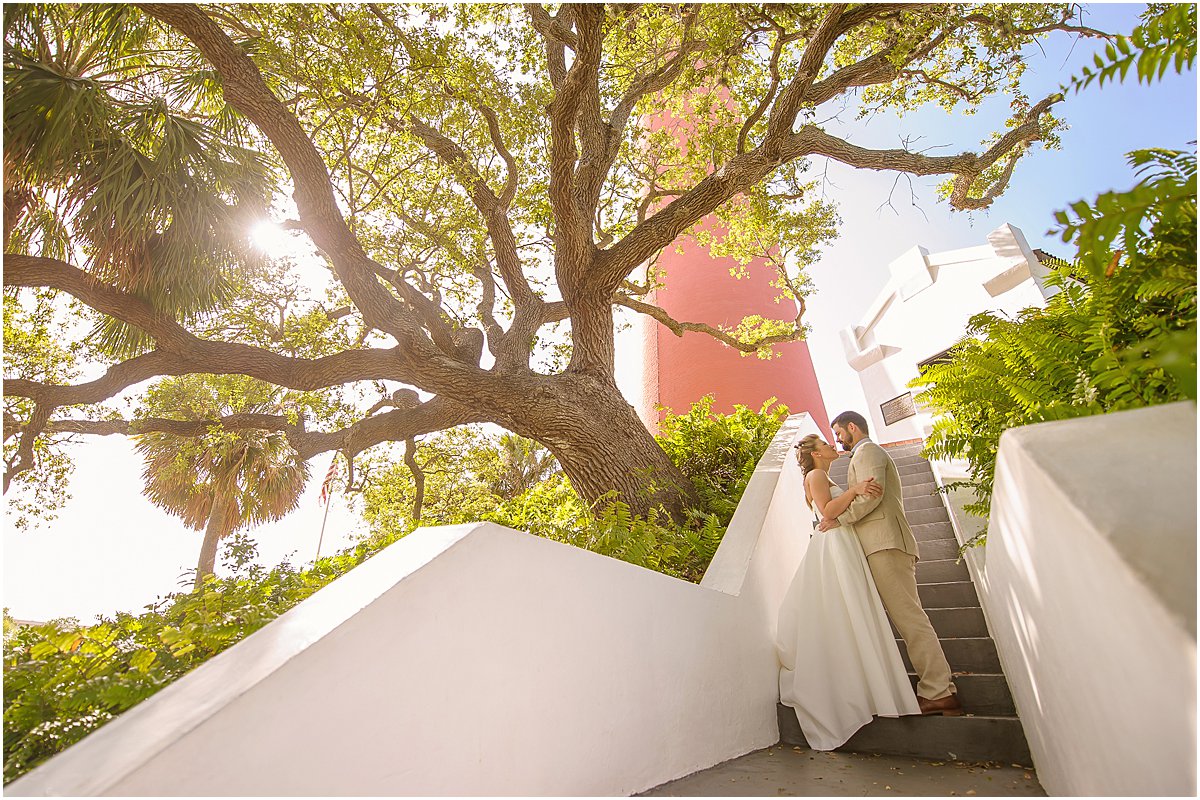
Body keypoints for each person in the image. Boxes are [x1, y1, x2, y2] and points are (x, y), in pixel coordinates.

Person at [776, 434, 920, 751]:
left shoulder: (823, 475)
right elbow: (827, 512)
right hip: (834, 546)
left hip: (843, 544)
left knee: (853, 609)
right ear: (815, 454)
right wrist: (855, 490)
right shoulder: (815, 475)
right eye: (826, 445)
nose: (833, 447)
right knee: (846, 609)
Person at [818, 411, 962, 716]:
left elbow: (871, 497)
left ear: (852, 428)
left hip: (886, 544)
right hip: (881, 544)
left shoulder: (868, 451)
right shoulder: (864, 453)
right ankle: (940, 689)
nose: (837, 439)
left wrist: (839, 520)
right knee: (908, 619)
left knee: (910, 619)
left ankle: (938, 691)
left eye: (839, 432)